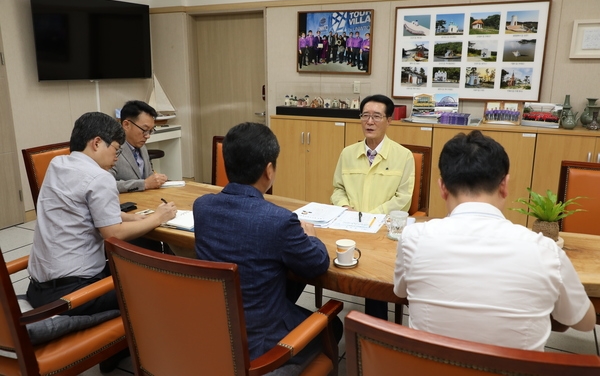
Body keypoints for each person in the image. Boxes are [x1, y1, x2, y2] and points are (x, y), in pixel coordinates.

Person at [393, 130, 595, 351]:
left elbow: (400, 292)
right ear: (504, 185)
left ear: (442, 188)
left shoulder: (414, 238)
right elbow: (584, 322)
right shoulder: (545, 251)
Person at [193, 122, 342, 373]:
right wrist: (312, 235)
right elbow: (317, 264)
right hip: (261, 340)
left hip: (217, 328)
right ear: (269, 170)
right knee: (334, 325)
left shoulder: (202, 206)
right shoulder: (278, 220)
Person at [27, 112, 177, 317]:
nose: (117, 157)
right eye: (115, 149)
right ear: (97, 143)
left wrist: (130, 217)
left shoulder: (57, 164)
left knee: (134, 270)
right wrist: (157, 218)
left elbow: (77, 209)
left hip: (38, 290)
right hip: (73, 295)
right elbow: (113, 233)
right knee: (157, 286)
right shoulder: (99, 177)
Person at [331, 94, 415, 320]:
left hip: (382, 233)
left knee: (375, 280)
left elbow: (403, 199)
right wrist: (344, 206)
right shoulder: (348, 153)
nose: (369, 122)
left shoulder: (404, 156)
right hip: (348, 227)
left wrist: (370, 217)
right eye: (365, 116)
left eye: (377, 116)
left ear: (389, 120)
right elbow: (337, 189)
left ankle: (373, 334)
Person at [109, 100, 167, 193]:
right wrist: (144, 184)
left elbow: (148, 176)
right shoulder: (112, 149)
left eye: (151, 131)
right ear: (126, 125)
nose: (147, 136)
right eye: (144, 130)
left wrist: (157, 179)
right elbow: (107, 184)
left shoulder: (141, 145)